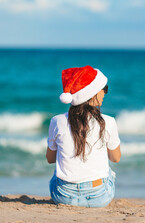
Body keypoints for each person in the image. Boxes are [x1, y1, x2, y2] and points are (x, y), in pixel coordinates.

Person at [46, 65, 121, 208]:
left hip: (63, 196)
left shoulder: (56, 121)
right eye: (104, 89)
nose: (105, 93)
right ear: (92, 93)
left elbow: (50, 159)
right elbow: (115, 158)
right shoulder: (108, 122)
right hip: (99, 197)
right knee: (109, 171)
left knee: (58, 171)